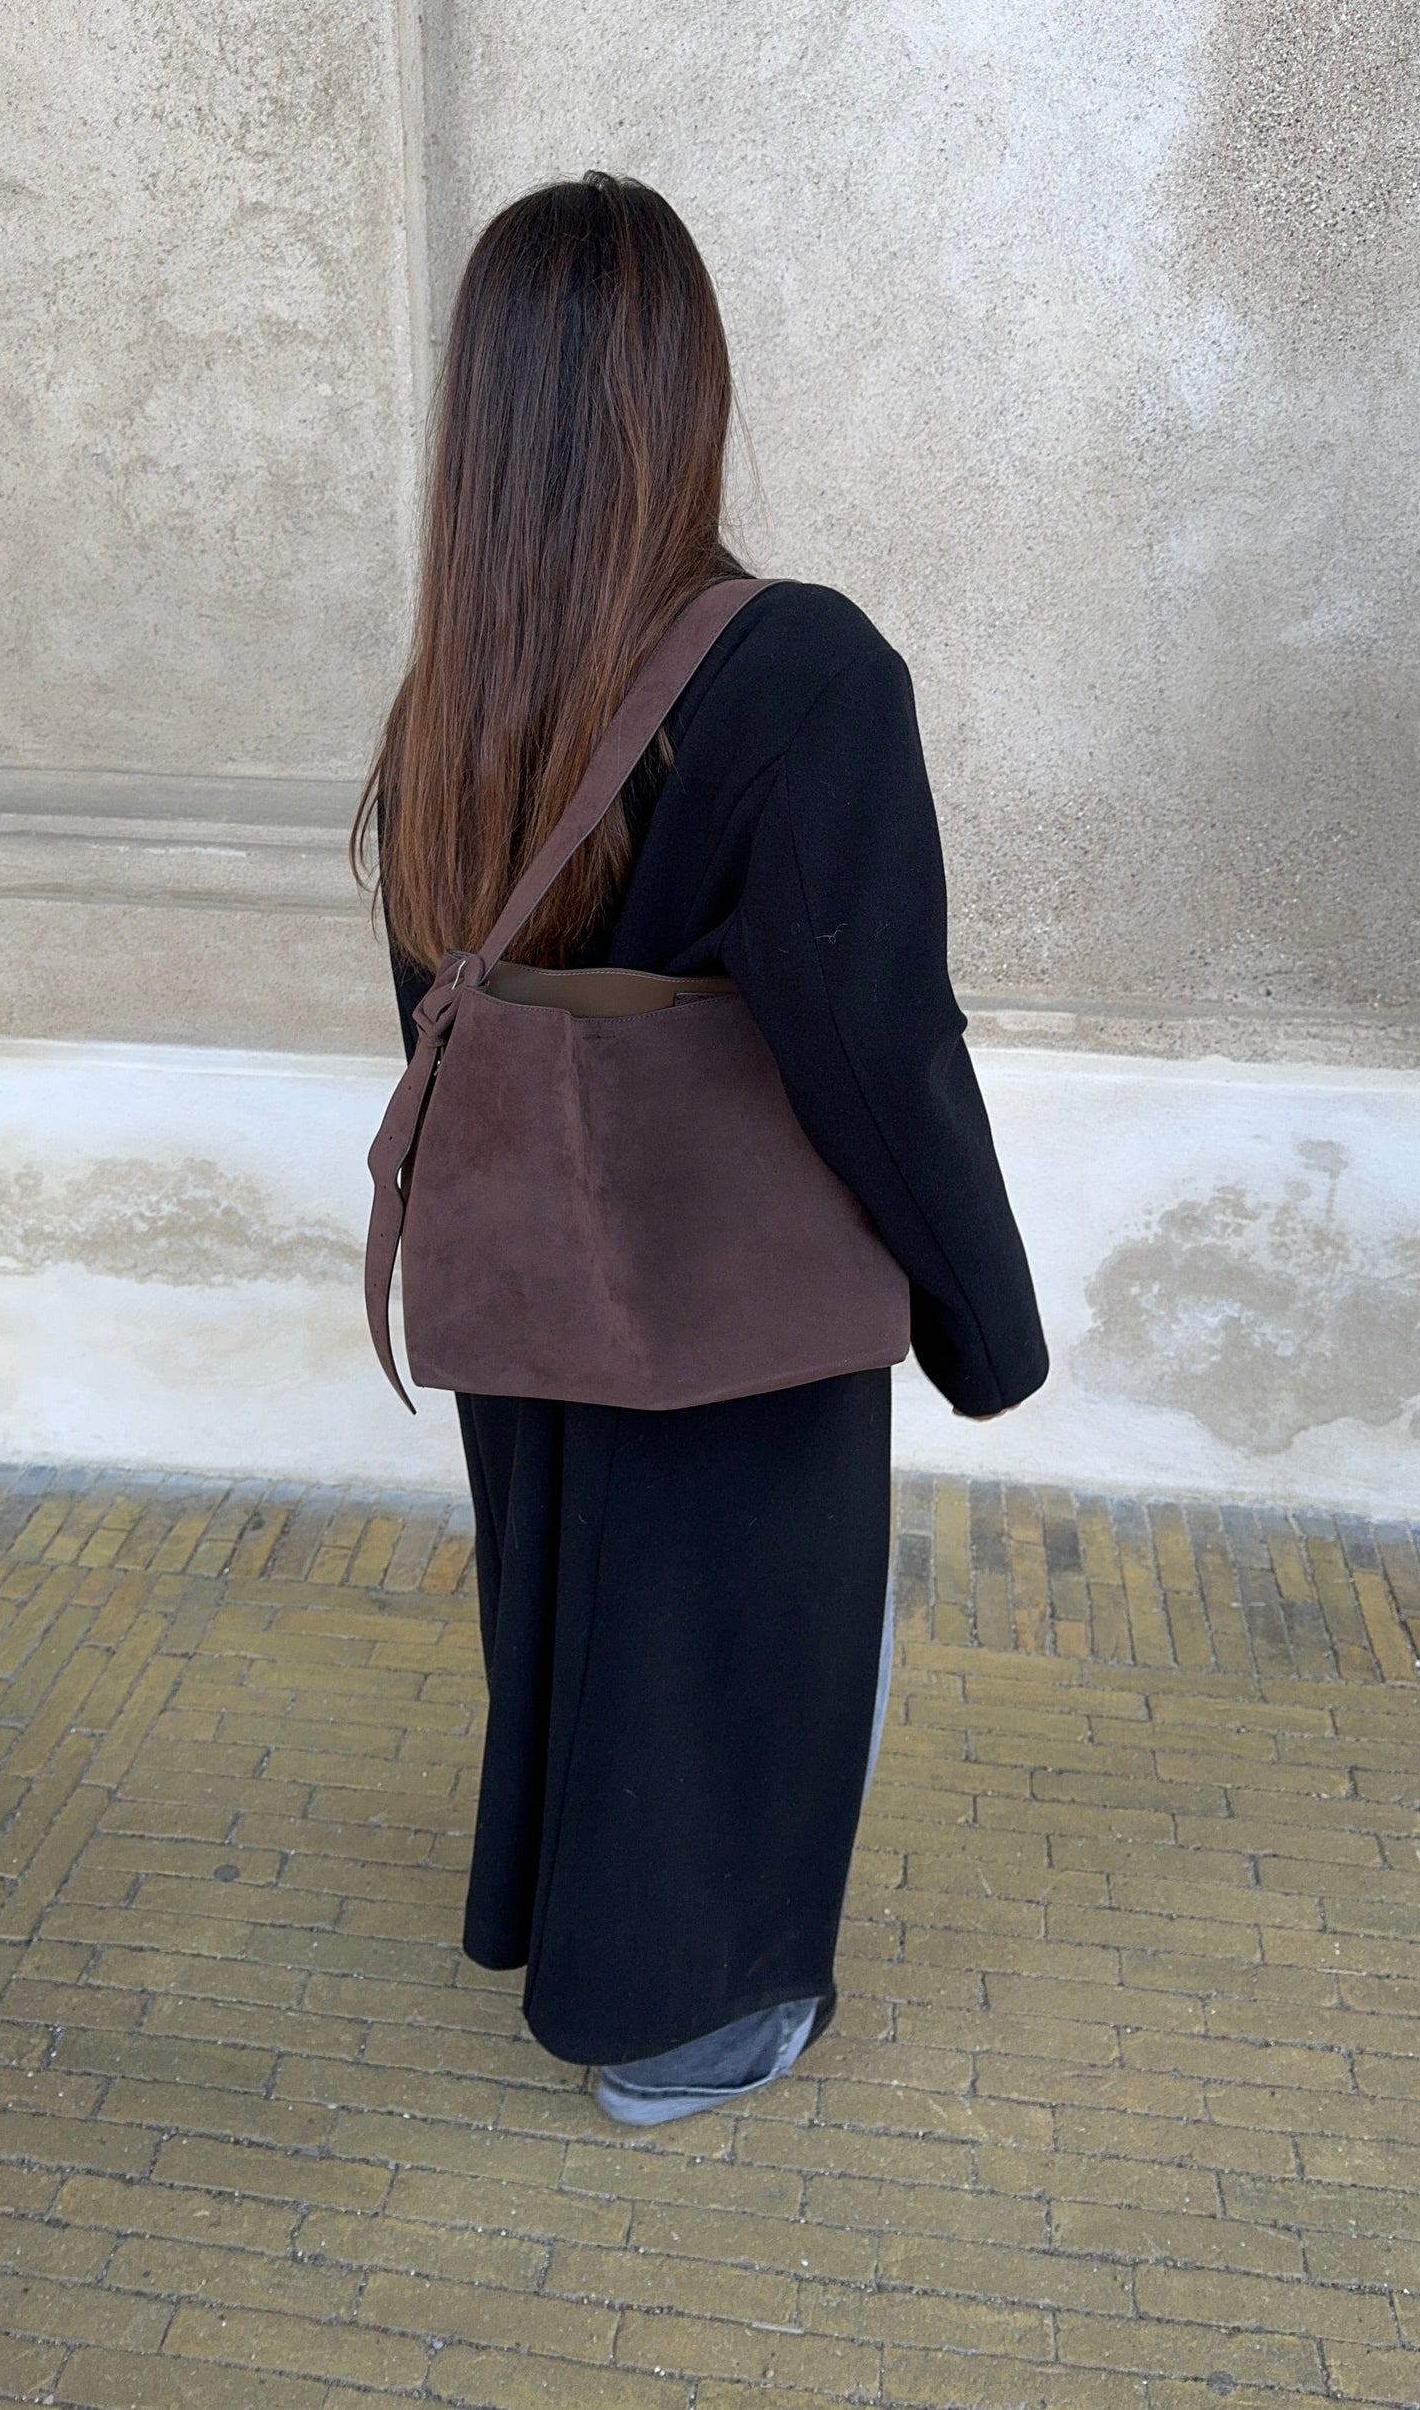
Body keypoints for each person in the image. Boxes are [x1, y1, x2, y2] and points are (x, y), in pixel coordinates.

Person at [356, 172, 1047, 2127]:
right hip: (743, 1298)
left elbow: (433, 1018)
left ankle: (577, 1945)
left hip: (521, 1275)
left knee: (569, 1611)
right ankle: (694, 2023)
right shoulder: (805, 672)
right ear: (693, 390)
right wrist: (982, 1322)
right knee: (732, 1647)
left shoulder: (448, 700)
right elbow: (876, 1043)